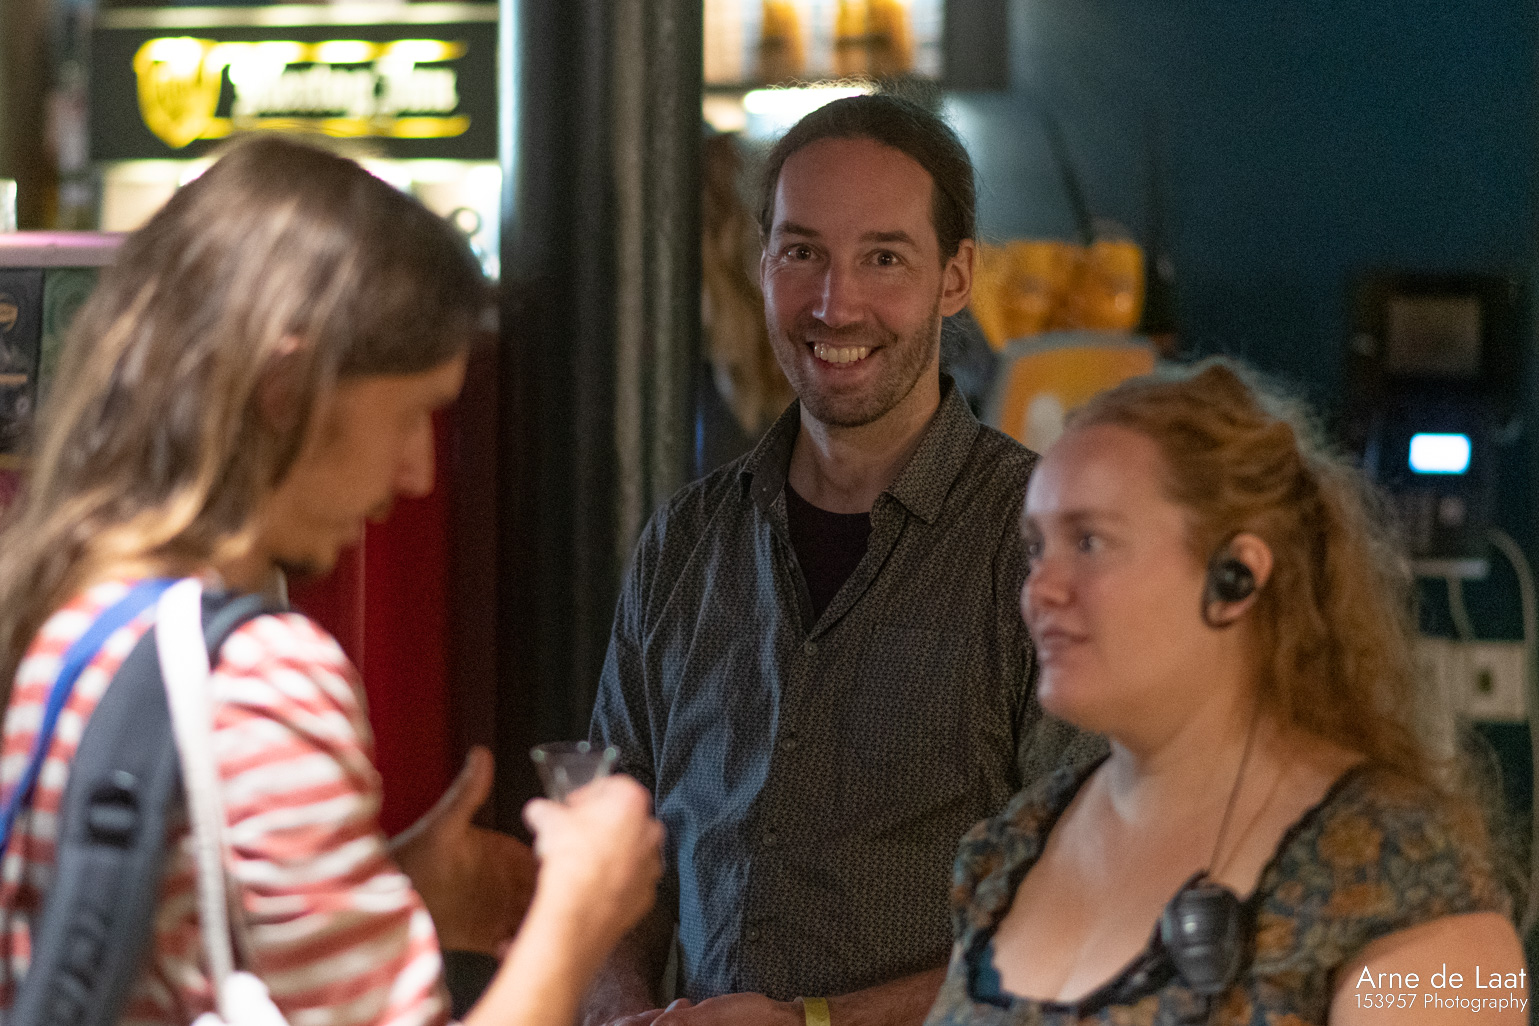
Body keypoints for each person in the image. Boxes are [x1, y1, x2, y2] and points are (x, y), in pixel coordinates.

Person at [0, 137, 664, 1026]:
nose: (418, 471)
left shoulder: (61, 621)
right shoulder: (266, 679)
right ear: (286, 388)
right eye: (411, 414)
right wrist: (578, 913)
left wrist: (393, 891)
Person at [587, 94, 1101, 1026]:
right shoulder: (685, 543)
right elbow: (610, 862)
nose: (835, 303)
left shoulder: (1042, 549)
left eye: (883, 258)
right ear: (762, 264)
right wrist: (618, 1006)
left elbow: (1094, 907)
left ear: (956, 277)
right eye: (802, 253)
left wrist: (813, 1023)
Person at [925, 361, 1526, 1026]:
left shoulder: (1404, 865)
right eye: (1037, 548)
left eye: (1090, 542)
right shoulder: (1009, 850)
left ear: (1235, 576)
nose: (1040, 589)